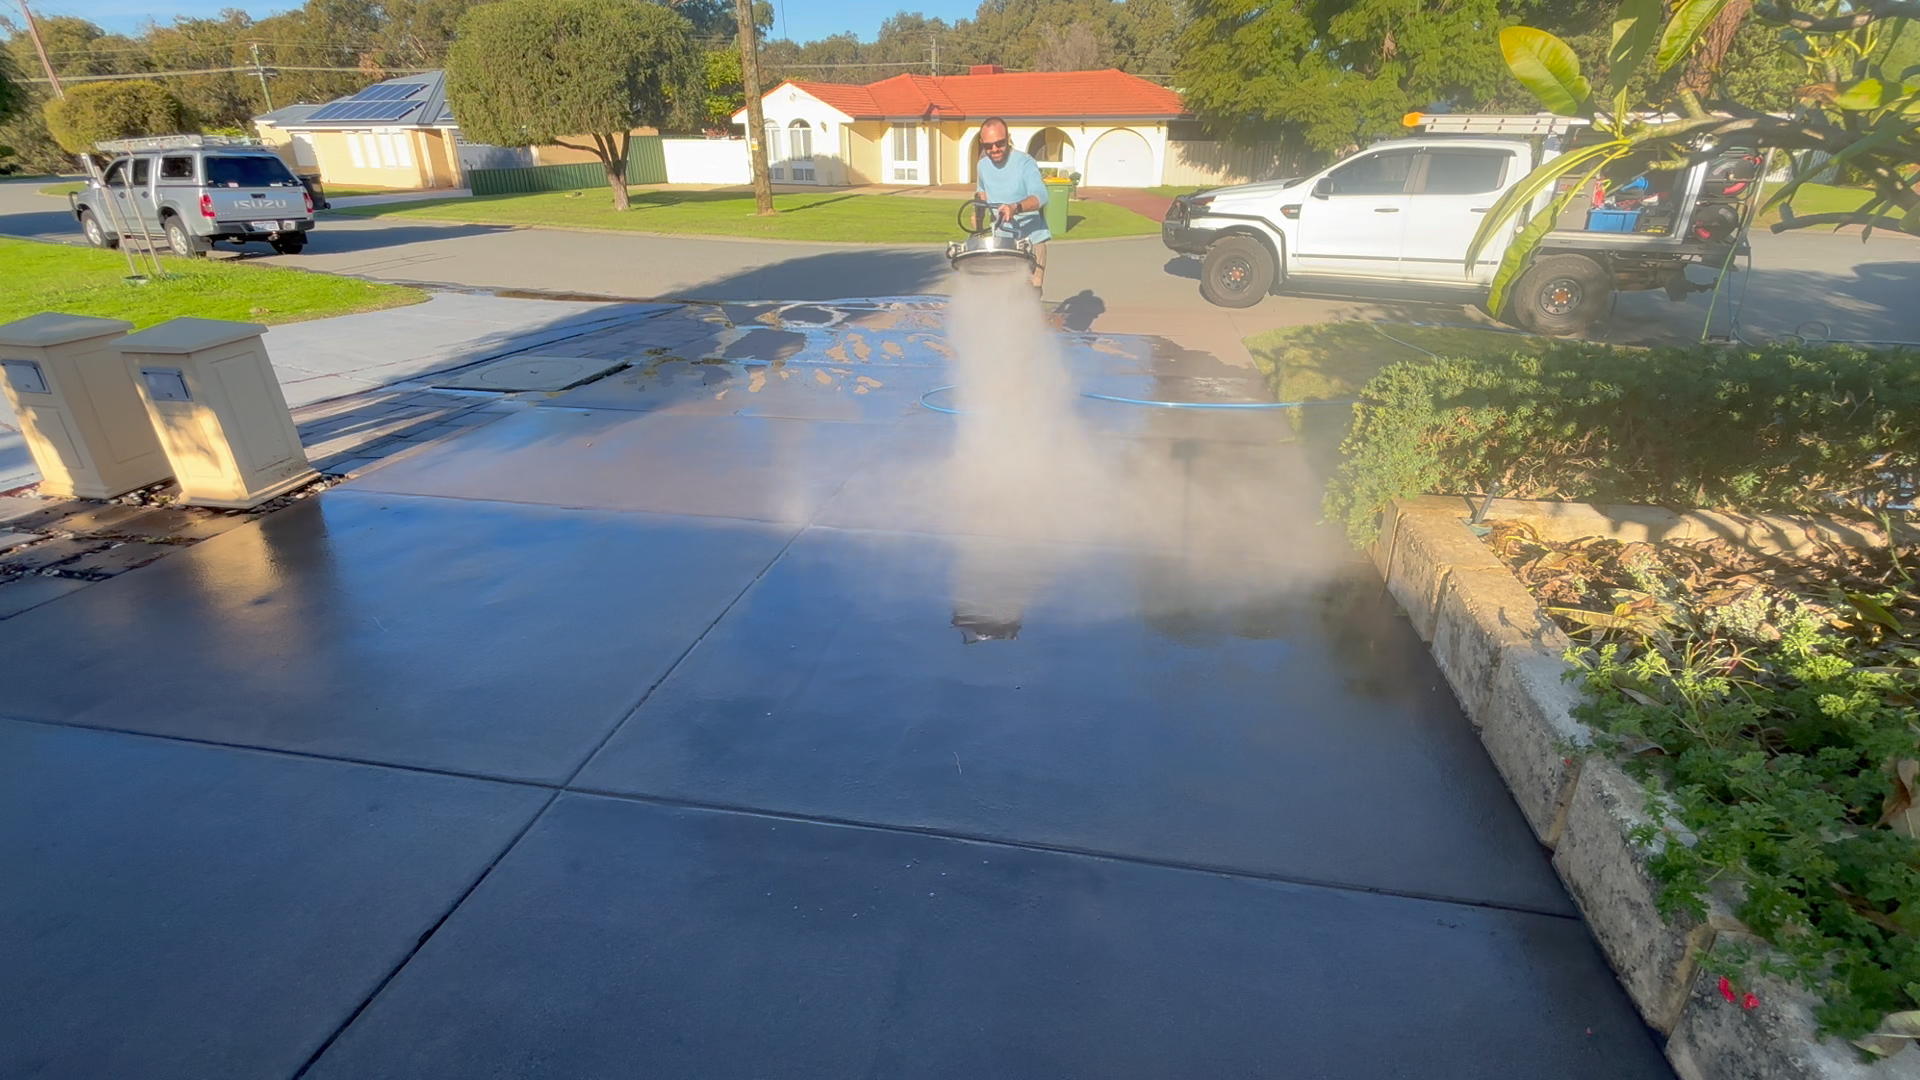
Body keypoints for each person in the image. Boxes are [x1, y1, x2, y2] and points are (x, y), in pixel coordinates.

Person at [973, 117, 1050, 296]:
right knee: (1002, 294)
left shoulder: (1024, 162)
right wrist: (977, 212)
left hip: (1031, 240)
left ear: (1008, 137)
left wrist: (1015, 207)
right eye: (988, 146)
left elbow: (1041, 196)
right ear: (981, 143)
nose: (994, 150)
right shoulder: (982, 166)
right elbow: (981, 193)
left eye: (1000, 143)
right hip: (1002, 241)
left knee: (1030, 291)